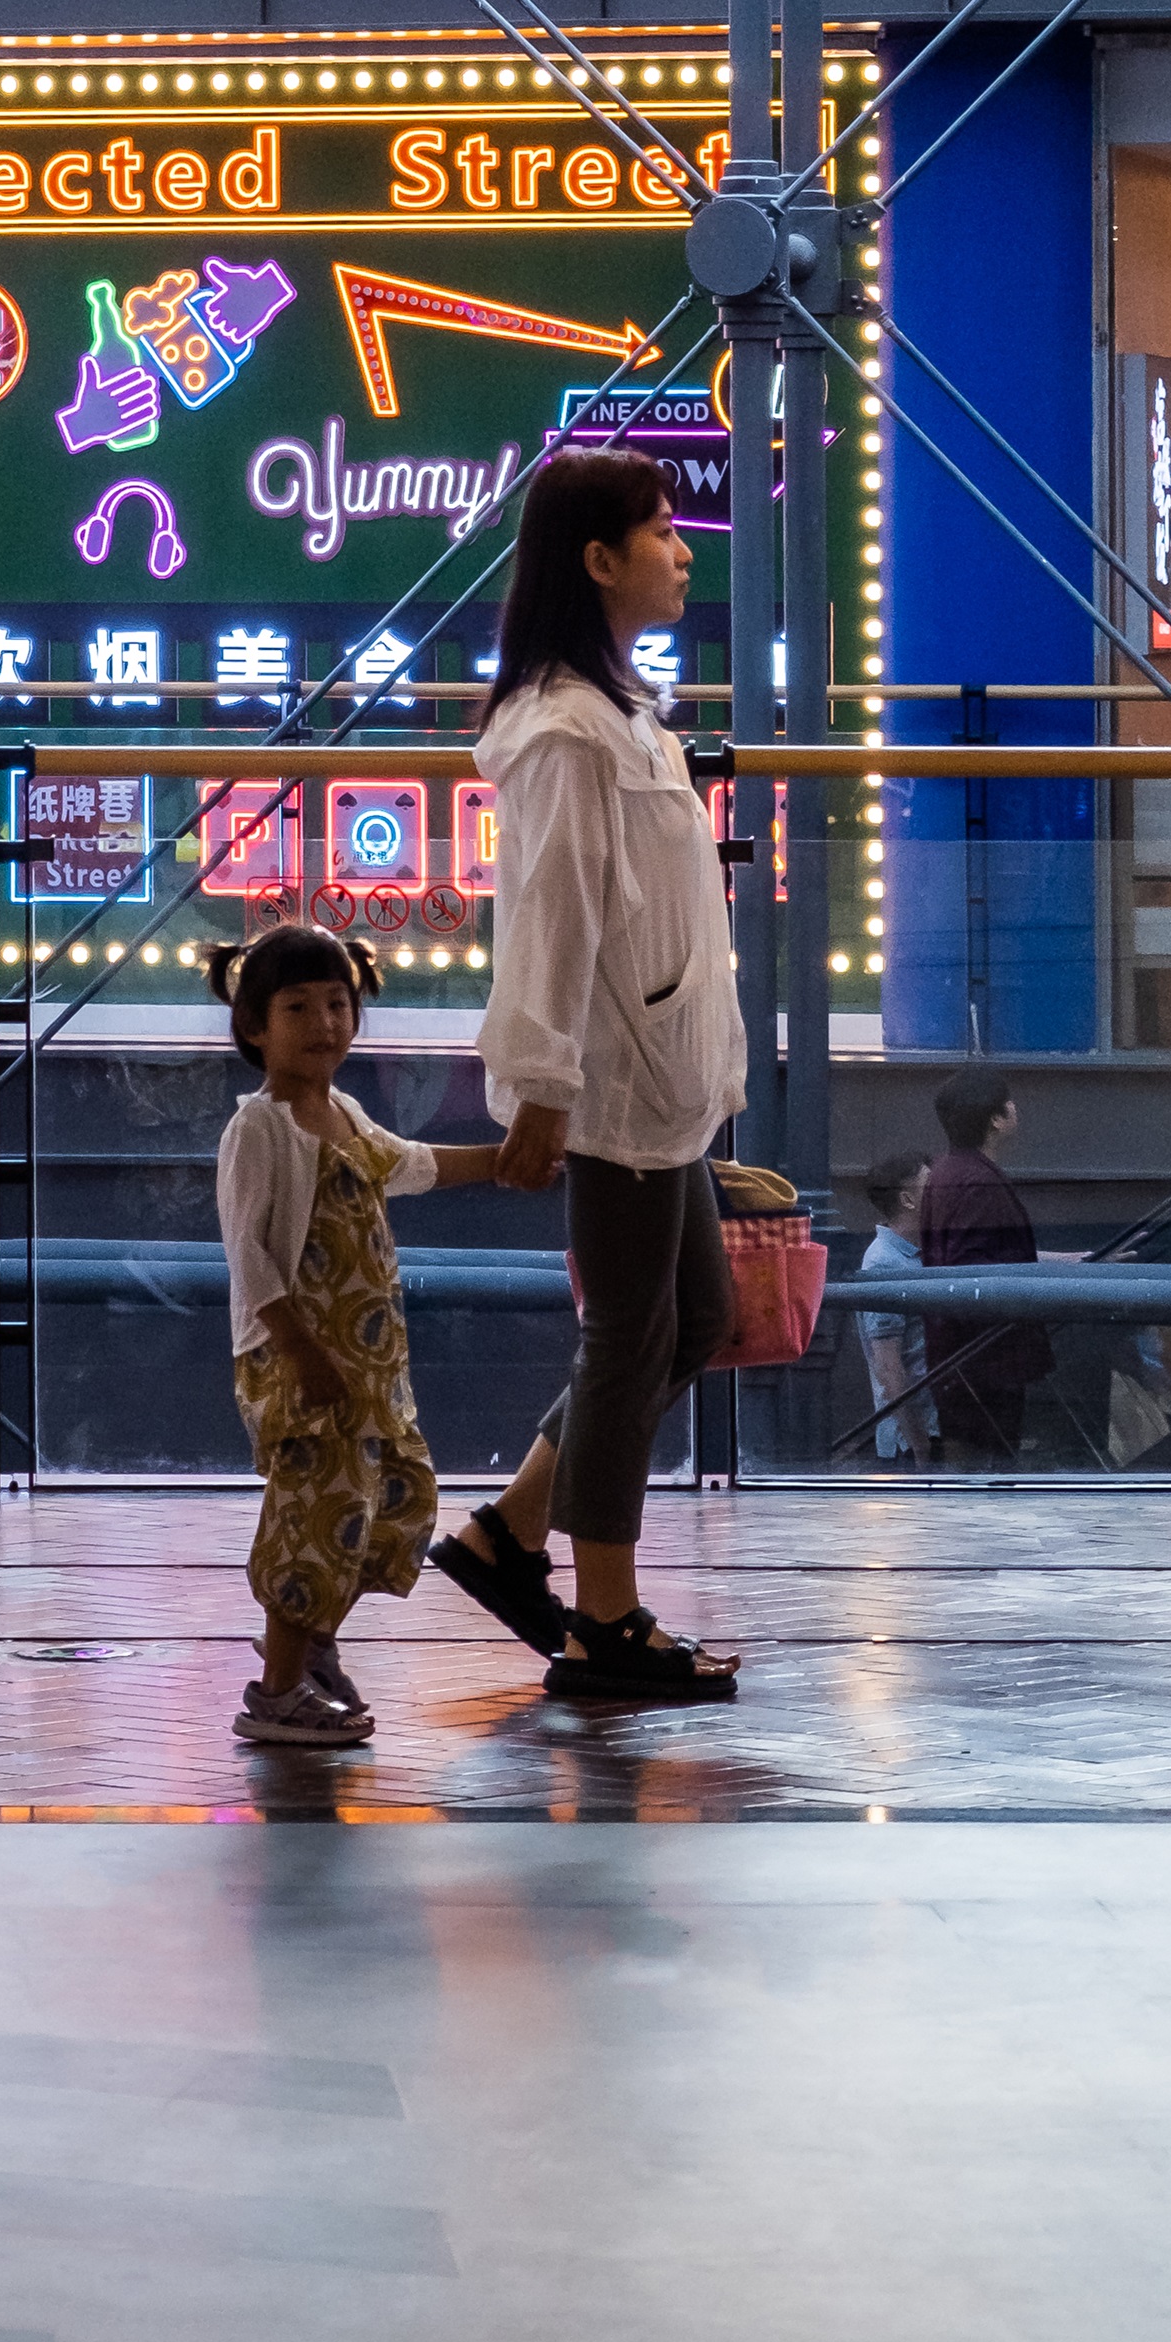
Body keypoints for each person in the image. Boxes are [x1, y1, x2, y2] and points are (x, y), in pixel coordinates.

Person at [426, 448, 748, 1705]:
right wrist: (544, 1084)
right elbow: (551, 917)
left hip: (657, 1077)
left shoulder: (614, 710)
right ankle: (602, 1619)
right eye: (661, 531)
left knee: (696, 1321)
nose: (682, 549)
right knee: (631, 1336)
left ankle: (511, 1533)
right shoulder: (567, 732)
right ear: (598, 562)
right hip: (611, 1080)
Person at [215, 923, 506, 1749]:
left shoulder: (341, 1112)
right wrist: (302, 1351)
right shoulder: (262, 1129)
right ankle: (278, 1688)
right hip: (302, 1364)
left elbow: (409, 1163)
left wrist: (501, 1158)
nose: (325, 1022)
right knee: (312, 1515)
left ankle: (312, 1648)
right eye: (298, 1006)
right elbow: (251, 1255)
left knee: (396, 1499)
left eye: (338, 1002)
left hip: (368, 1364)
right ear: (254, 1027)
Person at [917, 1068, 1053, 1468]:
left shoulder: (946, 1174)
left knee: (973, 1467)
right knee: (989, 1468)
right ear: (995, 1119)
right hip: (985, 1363)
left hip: (959, 1359)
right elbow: (974, 1270)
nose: (1015, 1108)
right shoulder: (979, 1183)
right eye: (1008, 1102)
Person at [856, 1152, 935, 1460]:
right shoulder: (883, 1263)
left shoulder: (925, 1251)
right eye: (931, 1187)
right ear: (908, 1199)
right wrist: (919, 1444)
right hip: (911, 1439)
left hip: (933, 1423)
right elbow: (888, 1366)